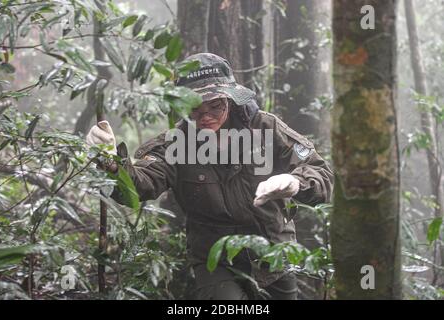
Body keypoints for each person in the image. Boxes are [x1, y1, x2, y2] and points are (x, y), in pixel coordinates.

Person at [87, 53, 333, 300]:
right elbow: (140, 186)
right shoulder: (176, 143)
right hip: (214, 256)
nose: (205, 116)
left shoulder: (265, 128)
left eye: (215, 106)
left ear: (230, 98)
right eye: (194, 108)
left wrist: (294, 183)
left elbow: (320, 171)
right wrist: (113, 164)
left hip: (273, 248)